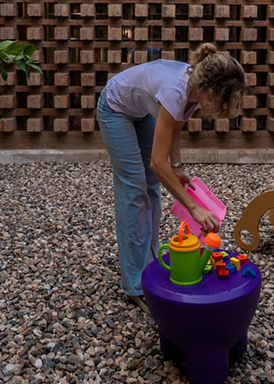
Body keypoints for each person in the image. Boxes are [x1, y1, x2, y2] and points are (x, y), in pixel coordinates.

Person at [96, 44, 247, 312]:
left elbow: (175, 124)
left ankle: (149, 263)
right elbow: (157, 162)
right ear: (210, 89)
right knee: (135, 190)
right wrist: (194, 207)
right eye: (223, 99)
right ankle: (135, 285)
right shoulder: (174, 90)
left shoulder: (195, 89)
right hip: (115, 108)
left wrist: (176, 167)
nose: (222, 107)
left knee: (152, 188)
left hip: (141, 111)